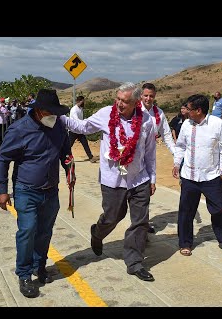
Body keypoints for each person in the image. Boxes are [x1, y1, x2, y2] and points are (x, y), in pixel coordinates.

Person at [60, 82, 157, 282]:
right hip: (113, 179)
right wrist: (57, 116)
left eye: (125, 101)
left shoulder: (147, 120)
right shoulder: (106, 113)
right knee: (113, 217)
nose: (120, 104)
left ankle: (135, 262)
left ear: (136, 102)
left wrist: (152, 178)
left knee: (140, 222)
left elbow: (150, 153)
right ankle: (97, 233)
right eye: (118, 99)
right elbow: (83, 127)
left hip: (139, 178)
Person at [0, 89, 73, 298]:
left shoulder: (58, 127)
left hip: (51, 191)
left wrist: (69, 168)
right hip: (26, 190)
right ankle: (24, 273)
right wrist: (1, 190)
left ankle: (40, 266)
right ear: (38, 111)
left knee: (45, 232)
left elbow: (65, 152)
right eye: (50, 112)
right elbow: (2, 159)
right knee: (28, 230)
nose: (54, 116)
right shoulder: (19, 130)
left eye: (57, 112)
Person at [172, 94, 222, 257]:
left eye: (189, 108)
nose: (186, 111)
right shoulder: (186, 124)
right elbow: (180, 146)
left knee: (220, 209)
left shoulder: (217, 124)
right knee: (186, 211)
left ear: (199, 110)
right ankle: (185, 243)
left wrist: (221, 172)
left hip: (211, 176)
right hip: (189, 176)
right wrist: (176, 163)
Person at [140, 83, 175, 234]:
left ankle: (142, 223)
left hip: (148, 158)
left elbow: (166, 134)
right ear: (140, 95)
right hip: (130, 158)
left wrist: (176, 154)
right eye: (145, 95)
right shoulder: (133, 110)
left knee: (146, 190)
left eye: (151, 96)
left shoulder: (158, 114)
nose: (148, 98)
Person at [68, 95, 95, 161]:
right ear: (79, 101)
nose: (83, 103)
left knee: (85, 143)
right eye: (82, 101)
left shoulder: (80, 109)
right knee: (69, 145)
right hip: (73, 130)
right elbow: (76, 120)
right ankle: (62, 156)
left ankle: (91, 157)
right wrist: (84, 122)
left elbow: (81, 119)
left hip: (80, 130)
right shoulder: (74, 109)